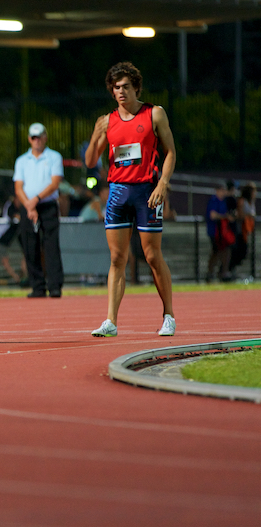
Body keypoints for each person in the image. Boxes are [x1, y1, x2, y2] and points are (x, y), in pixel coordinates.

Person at [85, 61, 176, 337]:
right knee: (117, 259)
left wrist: (163, 183)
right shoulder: (107, 121)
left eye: (125, 86)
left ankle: (169, 315)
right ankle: (110, 321)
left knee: (151, 255)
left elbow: (170, 152)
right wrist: (96, 134)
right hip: (117, 193)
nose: (120, 92)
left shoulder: (154, 114)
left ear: (137, 87)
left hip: (146, 193)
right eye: (116, 88)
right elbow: (90, 161)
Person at [13, 122, 64, 298]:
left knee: (51, 246)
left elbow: (55, 183)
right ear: (29, 139)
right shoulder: (21, 160)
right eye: (33, 137)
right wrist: (29, 205)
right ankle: (37, 286)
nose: (37, 140)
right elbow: (18, 187)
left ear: (45, 137)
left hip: (47, 205)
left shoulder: (54, 157)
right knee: (30, 246)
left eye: (40, 136)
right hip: (28, 207)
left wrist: (35, 200)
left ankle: (55, 285)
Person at [205, 182, 235, 282]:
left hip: (222, 232)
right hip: (215, 231)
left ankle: (222, 272)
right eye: (222, 190)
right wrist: (226, 217)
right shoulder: (214, 200)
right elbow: (213, 215)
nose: (224, 192)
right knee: (217, 251)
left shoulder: (223, 201)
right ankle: (211, 273)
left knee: (224, 250)